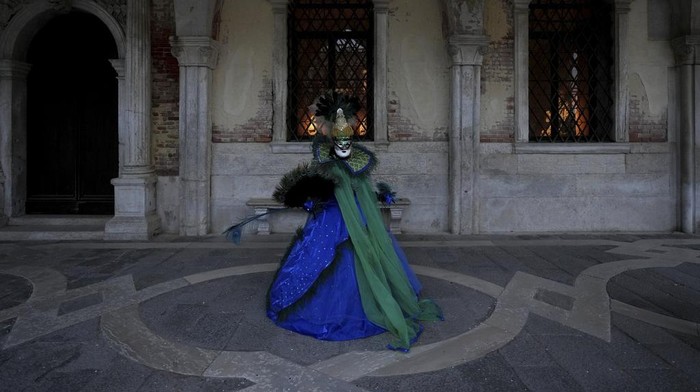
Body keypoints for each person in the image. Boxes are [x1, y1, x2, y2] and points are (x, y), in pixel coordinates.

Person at [264, 92, 442, 352]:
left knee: (348, 256)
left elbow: (352, 189)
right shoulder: (332, 157)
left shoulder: (345, 158)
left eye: (348, 138)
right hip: (336, 217)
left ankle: (358, 306)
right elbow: (327, 187)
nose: (344, 143)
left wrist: (377, 194)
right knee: (332, 257)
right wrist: (310, 200)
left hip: (346, 217)